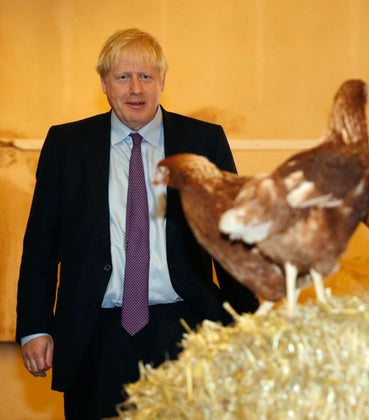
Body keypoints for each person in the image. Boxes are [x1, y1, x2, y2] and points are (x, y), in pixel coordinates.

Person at [15, 28, 260, 419]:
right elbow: (42, 245)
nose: (135, 89)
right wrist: (35, 326)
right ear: (103, 83)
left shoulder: (203, 141)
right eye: (123, 77)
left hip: (187, 329)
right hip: (95, 335)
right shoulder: (67, 145)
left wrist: (249, 323)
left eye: (146, 76)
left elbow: (231, 239)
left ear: (163, 81)